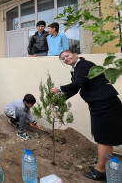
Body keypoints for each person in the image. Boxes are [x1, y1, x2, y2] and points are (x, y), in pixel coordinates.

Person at [50, 50, 122, 181]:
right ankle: (102, 166)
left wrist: (58, 89)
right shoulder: (77, 69)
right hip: (100, 103)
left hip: (104, 103)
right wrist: (59, 101)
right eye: (62, 58)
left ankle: (100, 171)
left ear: (75, 54)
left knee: (103, 137)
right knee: (102, 135)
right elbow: (75, 89)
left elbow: (78, 84)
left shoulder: (83, 65)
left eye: (67, 55)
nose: (65, 59)